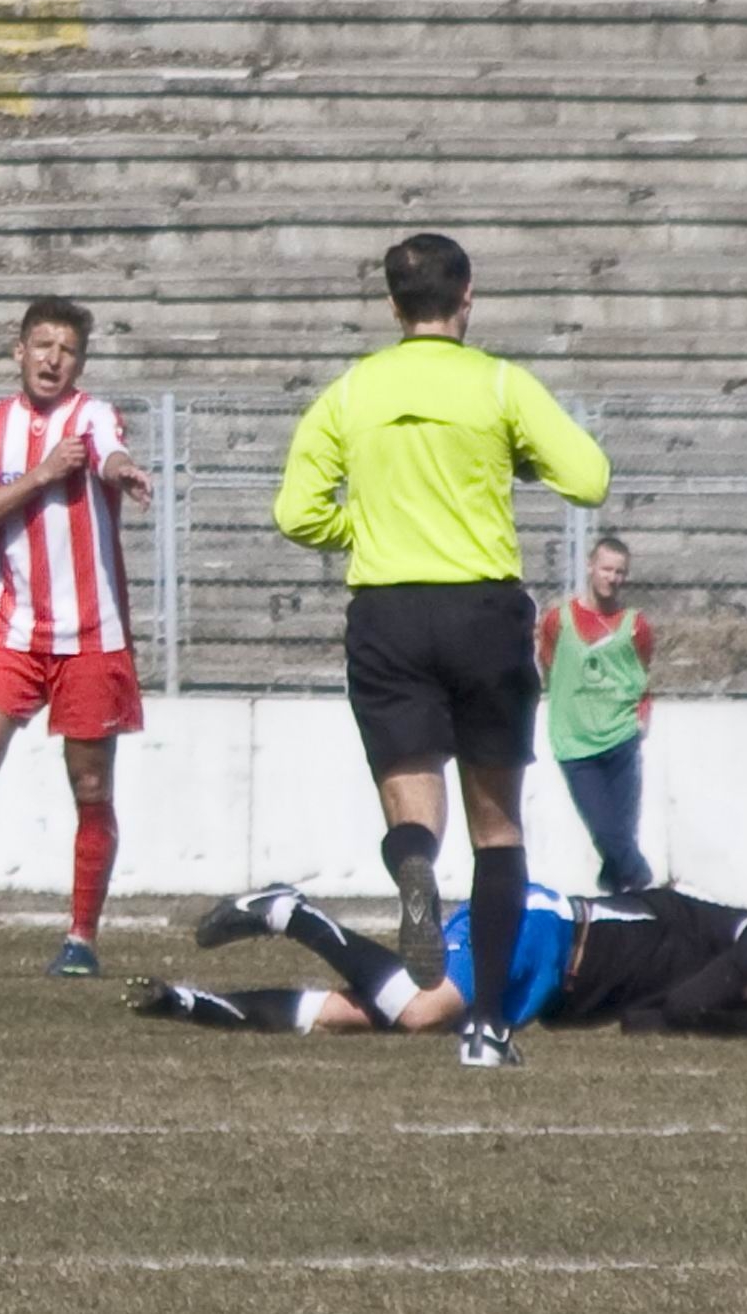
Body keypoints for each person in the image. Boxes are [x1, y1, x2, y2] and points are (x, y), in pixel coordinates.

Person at [273, 233, 610, 1068]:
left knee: (413, 812)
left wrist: (371, 526)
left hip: (387, 611)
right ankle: (488, 1029)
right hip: (482, 611)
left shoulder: (352, 391)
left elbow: (297, 511)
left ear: (393, 306)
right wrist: (519, 460)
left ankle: (415, 869)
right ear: (468, 299)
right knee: (497, 830)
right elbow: (589, 478)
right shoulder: (499, 383)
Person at [0, 297, 155, 980]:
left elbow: (109, 453)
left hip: (93, 634)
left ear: (80, 361)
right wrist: (42, 475)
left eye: (67, 349)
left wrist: (120, 471)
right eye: (41, 345)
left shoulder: (92, 416)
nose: (52, 358)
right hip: (12, 627)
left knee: (90, 783)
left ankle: (81, 938)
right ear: (18, 351)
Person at [133, 880, 747, 1042]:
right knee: (416, 1013)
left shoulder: (731, 986)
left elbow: (648, 1022)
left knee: (358, 1017)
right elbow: (691, 1006)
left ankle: (187, 1003)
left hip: (539, 983)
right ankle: (293, 913)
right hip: (546, 932)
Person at [541, 536, 656, 894]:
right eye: (607, 568)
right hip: (575, 742)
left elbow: (641, 667)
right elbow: (548, 662)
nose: (613, 577)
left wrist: (640, 713)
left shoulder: (634, 624)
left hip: (620, 736)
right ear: (591, 567)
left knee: (621, 830)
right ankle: (641, 882)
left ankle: (618, 895)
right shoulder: (559, 620)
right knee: (604, 828)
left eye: (620, 572)